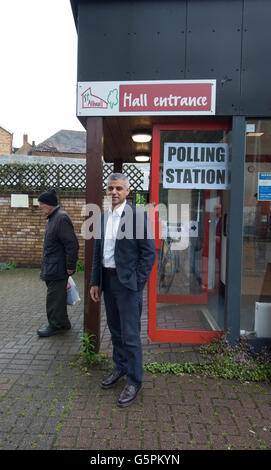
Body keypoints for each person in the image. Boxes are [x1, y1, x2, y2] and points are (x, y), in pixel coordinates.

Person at [90, 173, 156, 407]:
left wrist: (137, 283)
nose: (114, 192)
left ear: (128, 191)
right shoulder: (103, 217)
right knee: (115, 331)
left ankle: (134, 380)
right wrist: (95, 282)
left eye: (119, 188)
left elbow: (149, 253)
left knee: (130, 335)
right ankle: (120, 368)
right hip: (107, 282)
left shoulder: (137, 216)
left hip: (127, 285)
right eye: (110, 188)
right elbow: (99, 252)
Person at [37, 188, 79, 337]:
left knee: (53, 299)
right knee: (58, 298)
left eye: (41, 203)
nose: (39, 206)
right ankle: (63, 323)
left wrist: (70, 266)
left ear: (49, 204)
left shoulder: (60, 218)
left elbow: (72, 244)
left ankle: (55, 326)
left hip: (58, 269)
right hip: (52, 267)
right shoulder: (54, 217)